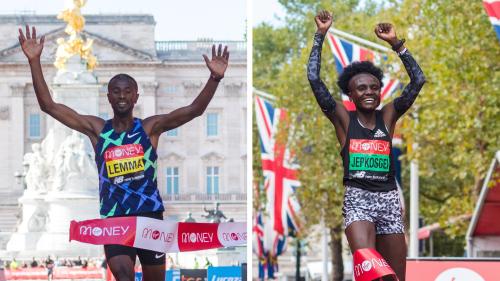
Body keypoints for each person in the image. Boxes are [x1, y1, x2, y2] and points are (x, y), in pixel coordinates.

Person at [18, 25, 229, 281]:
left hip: (150, 213)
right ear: (108, 96)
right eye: (116, 91)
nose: (122, 96)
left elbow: (194, 110)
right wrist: (34, 61)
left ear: (136, 96)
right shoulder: (97, 130)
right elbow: (49, 106)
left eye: (127, 91)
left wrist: (214, 78)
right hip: (115, 217)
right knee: (121, 274)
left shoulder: (151, 128)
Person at [307, 10, 425, 281]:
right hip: (358, 200)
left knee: (393, 278)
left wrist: (398, 45)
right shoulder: (342, 119)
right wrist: (320, 36)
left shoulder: (388, 115)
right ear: (351, 95)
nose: (369, 92)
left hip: (388, 201)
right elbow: (314, 80)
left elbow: (418, 81)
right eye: (361, 88)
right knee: (371, 272)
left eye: (374, 87)